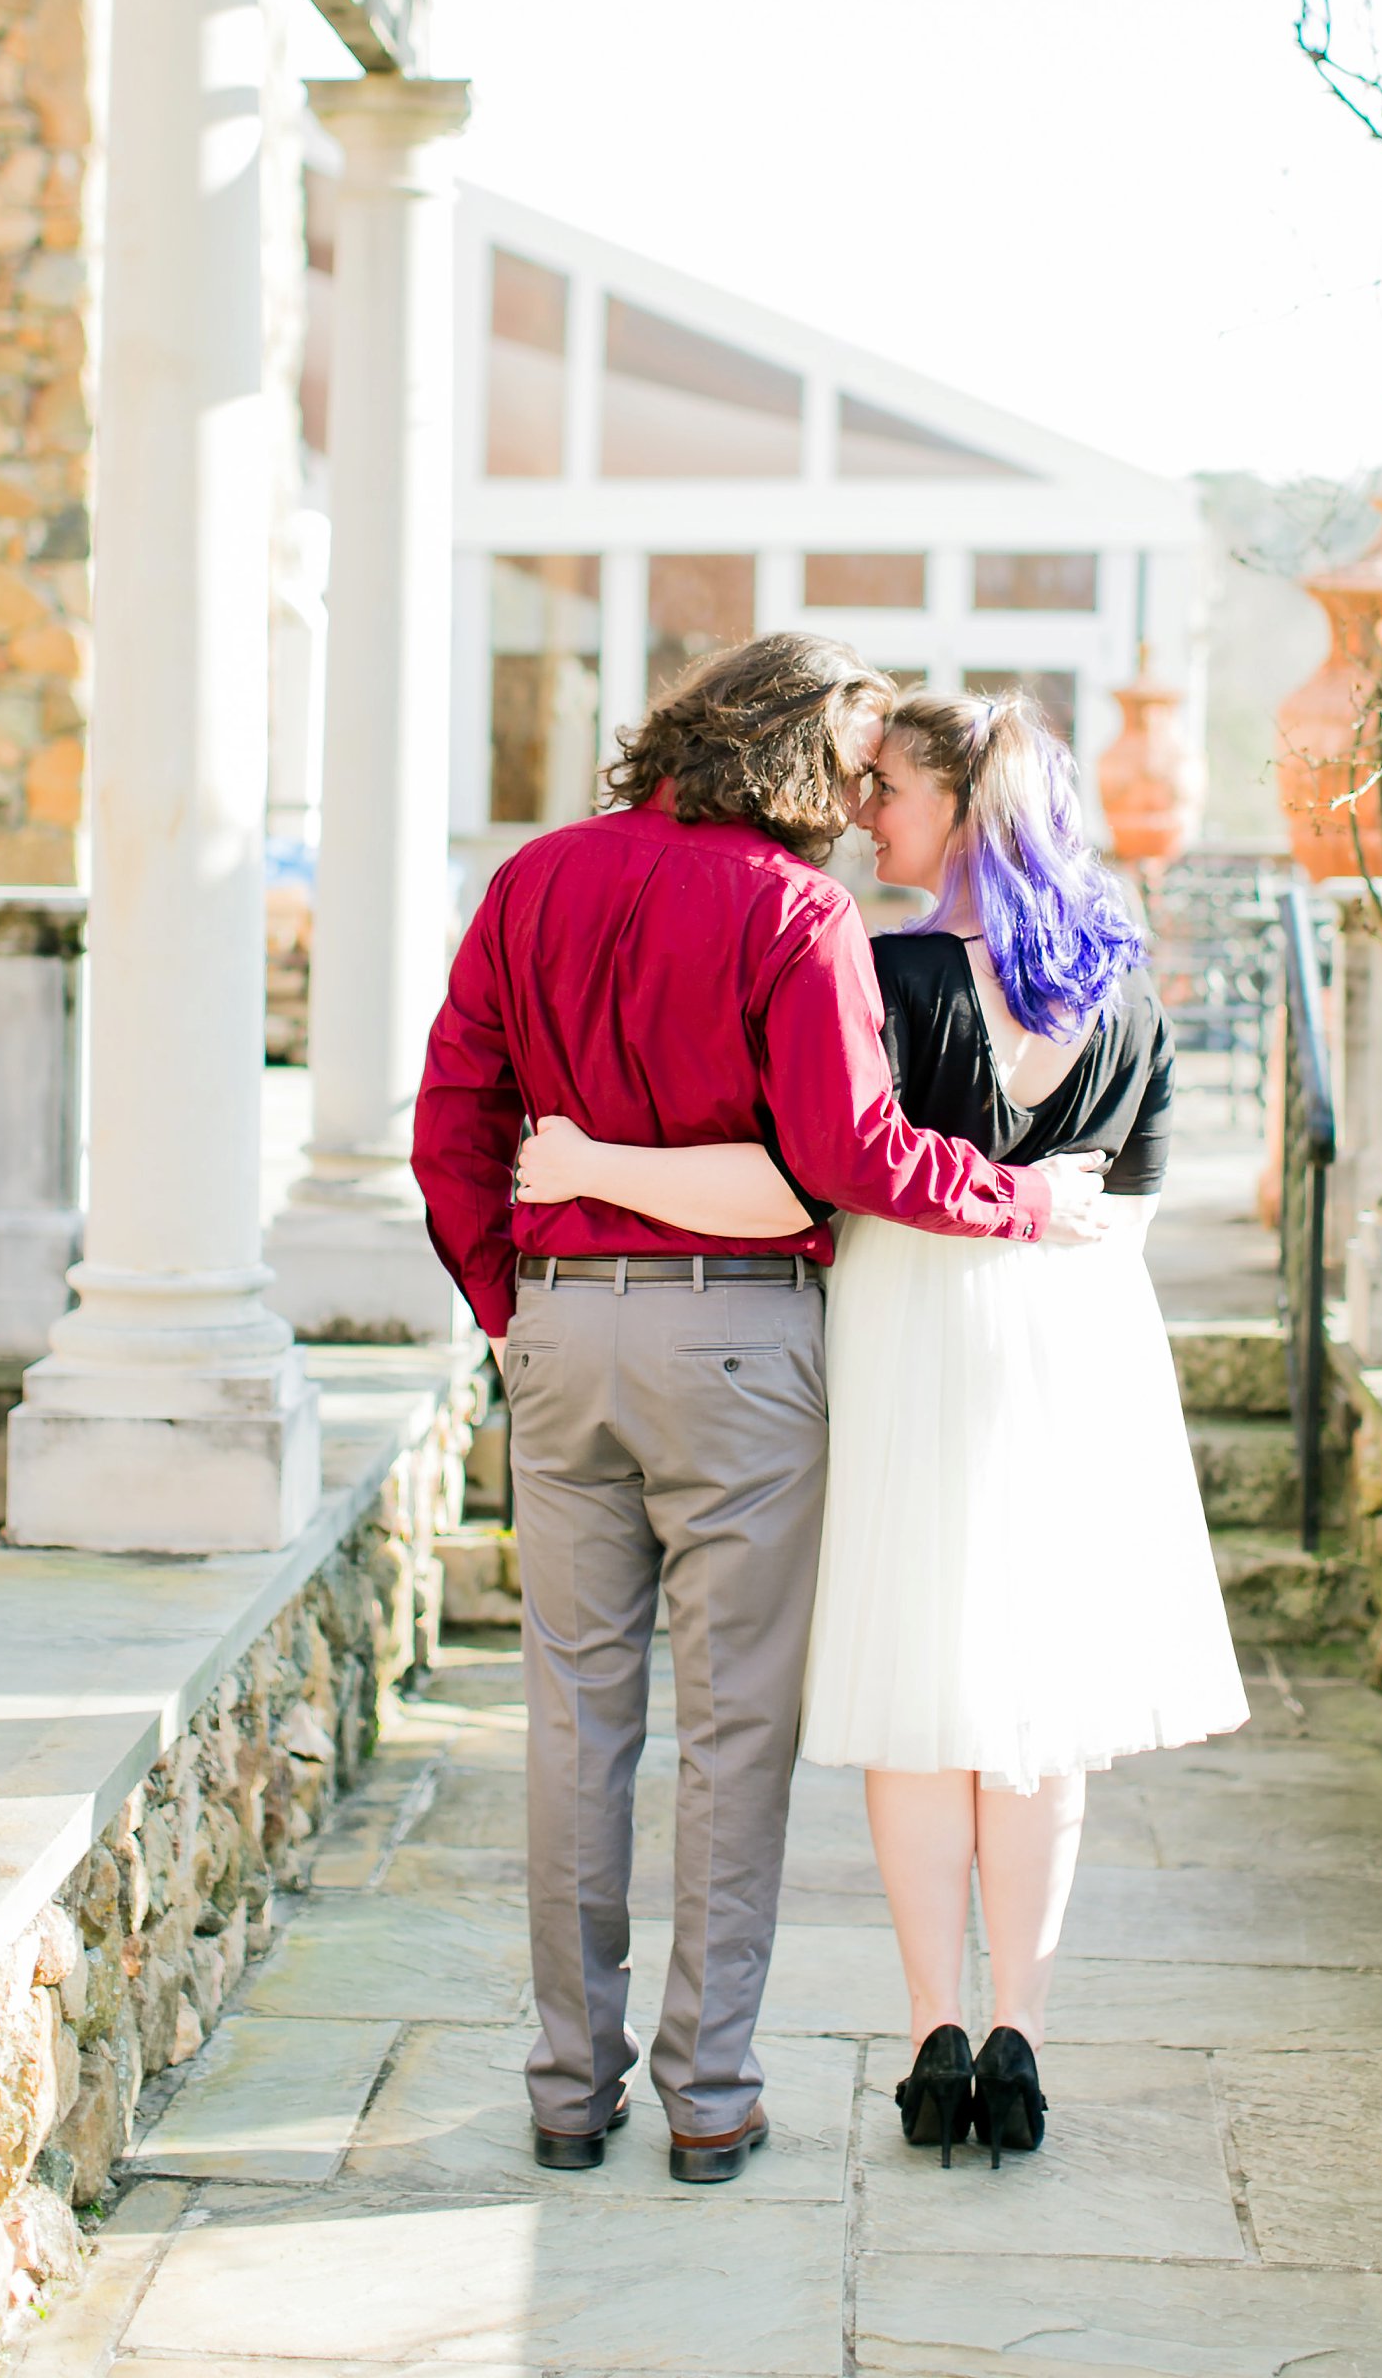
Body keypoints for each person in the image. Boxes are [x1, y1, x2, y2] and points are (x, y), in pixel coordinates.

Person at [411, 636, 1115, 2188]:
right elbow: (852, 1152)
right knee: (737, 1737)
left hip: (564, 1336)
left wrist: (510, 1301)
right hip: (740, 1349)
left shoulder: (535, 878)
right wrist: (1017, 1202)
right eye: (857, 767)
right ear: (795, 754)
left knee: (573, 1724)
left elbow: (451, 1115)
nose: (865, 802)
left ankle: (565, 2090)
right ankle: (710, 2097)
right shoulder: (799, 913)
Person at [515, 688, 1248, 2169]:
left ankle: (931, 2036)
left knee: (922, 1698)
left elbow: (809, 1180)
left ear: (967, 810)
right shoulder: (1124, 989)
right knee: (1037, 1717)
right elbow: (1138, 1216)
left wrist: (589, 1160)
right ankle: (1020, 2031)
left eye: (893, 790)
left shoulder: (885, 971)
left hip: (915, 1340)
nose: (865, 813)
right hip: (1076, 1349)